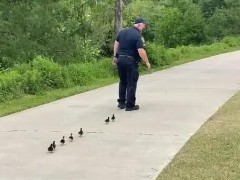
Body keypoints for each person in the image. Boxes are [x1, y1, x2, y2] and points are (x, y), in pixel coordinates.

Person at [113, 17, 151, 111]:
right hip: (130, 61)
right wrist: (147, 62)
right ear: (138, 25)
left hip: (120, 60)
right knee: (131, 83)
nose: (143, 28)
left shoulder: (122, 32)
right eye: (143, 26)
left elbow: (116, 43)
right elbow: (141, 50)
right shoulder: (137, 35)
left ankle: (121, 103)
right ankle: (130, 105)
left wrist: (115, 56)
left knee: (123, 81)